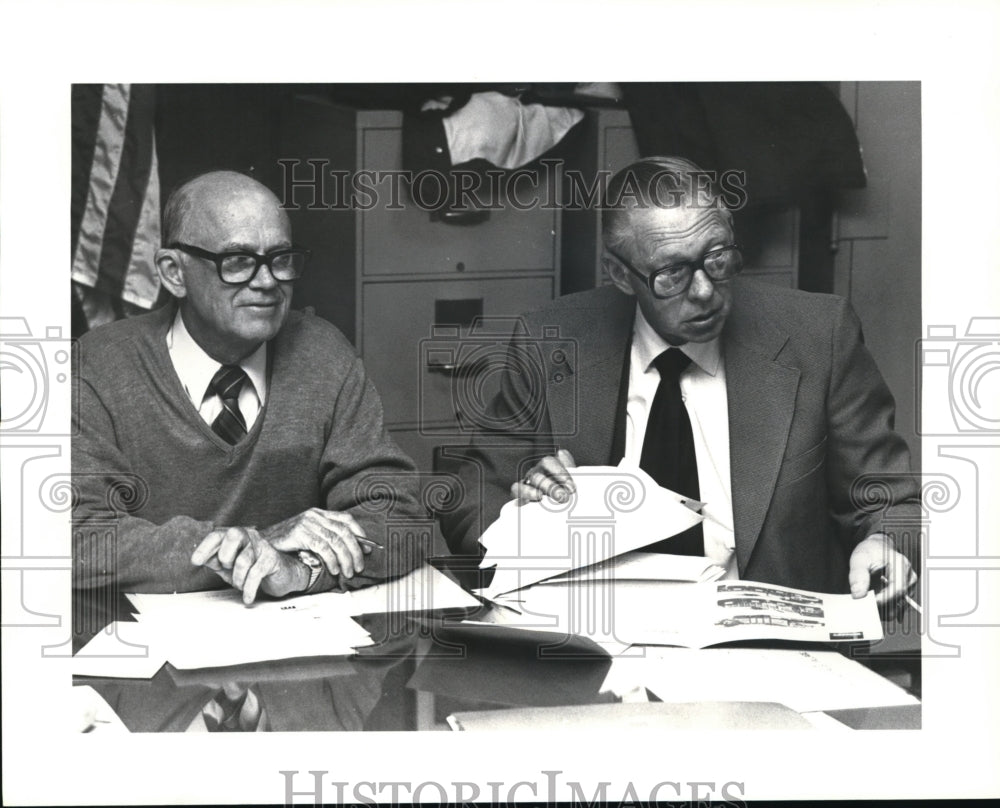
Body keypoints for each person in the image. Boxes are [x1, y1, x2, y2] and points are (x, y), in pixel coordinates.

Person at [439, 156, 920, 602]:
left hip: (764, 639)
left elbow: (890, 498)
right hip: (602, 636)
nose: (706, 291)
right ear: (621, 275)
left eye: (718, 259)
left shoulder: (820, 334)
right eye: (672, 273)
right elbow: (470, 497)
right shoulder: (552, 339)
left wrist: (882, 541)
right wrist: (523, 514)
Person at [73, 170, 427, 604]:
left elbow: (401, 515)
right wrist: (251, 545)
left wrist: (300, 569)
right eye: (237, 261)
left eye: (281, 258)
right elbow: (78, 536)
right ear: (173, 272)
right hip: (151, 648)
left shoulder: (323, 354)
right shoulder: (100, 366)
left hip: (302, 643)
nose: (268, 281)